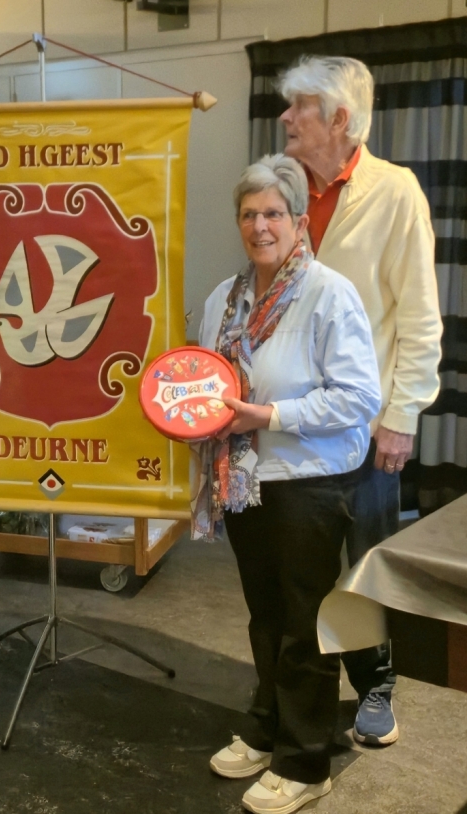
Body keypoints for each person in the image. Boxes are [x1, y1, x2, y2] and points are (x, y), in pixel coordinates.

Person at [197, 155, 381, 814]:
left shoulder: (329, 293)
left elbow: (359, 398)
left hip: (310, 484)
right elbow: (205, 381)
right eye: (249, 214)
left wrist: (270, 415)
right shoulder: (223, 299)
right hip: (247, 484)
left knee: (305, 623)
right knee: (266, 616)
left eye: (273, 213)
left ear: (300, 221)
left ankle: (306, 762)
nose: (260, 226)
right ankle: (268, 725)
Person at [278, 55, 441, 746]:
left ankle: (376, 683)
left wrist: (401, 418)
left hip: (366, 425)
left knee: (366, 562)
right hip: (292, 422)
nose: (285, 117)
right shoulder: (282, 185)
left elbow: (420, 318)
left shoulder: (395, 191)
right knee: (301, 566)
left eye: (300, 107)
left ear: (340, 119)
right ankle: (303, 687)